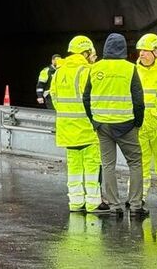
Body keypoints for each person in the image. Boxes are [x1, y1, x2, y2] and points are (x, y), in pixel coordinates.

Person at [83, 33, 146, 216]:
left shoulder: (95, 68)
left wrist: (94, 120)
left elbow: (86, 97)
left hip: (102, 125)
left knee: (108, 164)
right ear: (123, 49)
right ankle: (135, 205)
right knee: (135, 163)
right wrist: (138, 122)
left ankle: (114, 206)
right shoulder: (130, 68)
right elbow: (138, 100)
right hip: (126, 124)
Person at [50, 36, 108, 214]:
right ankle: (93, 203)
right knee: (92, 166)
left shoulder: (59, 72)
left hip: (67, 129)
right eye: (91, 53)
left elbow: (54, 98)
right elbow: (95, 100)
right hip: (87, 129)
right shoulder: (87, 71)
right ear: (86, 52)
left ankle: (75, 203)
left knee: (74, 167)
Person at [135, 33, 157, 207]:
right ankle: (138, 196)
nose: (141, 54)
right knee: (140, 162)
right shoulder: (134, 70)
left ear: (156, 52)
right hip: (140, 125)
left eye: (146, 50)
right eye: (140, 50)